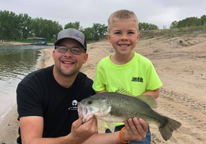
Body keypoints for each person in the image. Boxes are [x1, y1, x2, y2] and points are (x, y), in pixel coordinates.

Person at [16, 28, 148, 144]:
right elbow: (30, 142)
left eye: (76, 50)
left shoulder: (88, 89)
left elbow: (89, 139)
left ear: (85, 58)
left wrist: (124, 135)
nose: (68, 54)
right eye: (62, 48)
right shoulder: (31, 86)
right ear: (53, 54)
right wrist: (72, 139)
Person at [92, 10, 163, 144]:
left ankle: (164, 123)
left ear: (137, 36)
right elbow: (99, 91)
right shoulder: (102, 65)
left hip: (139, 125)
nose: (124, 37)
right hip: (113, 126)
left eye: (130, 32)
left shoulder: (145, 64)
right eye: (118, 33)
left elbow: (155, 91)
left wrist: (134, 103)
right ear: (109, 37)